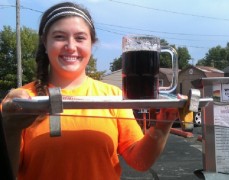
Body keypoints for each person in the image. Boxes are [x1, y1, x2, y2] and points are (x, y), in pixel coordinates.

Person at [0, 2, 179, 180]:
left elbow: (140, 161)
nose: (70, 46)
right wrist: (10, 128)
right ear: (45, 44)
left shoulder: (112, 96)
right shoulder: (20, 103)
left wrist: (163, 125)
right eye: (59, 37)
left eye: (80, 38)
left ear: (91, 44)